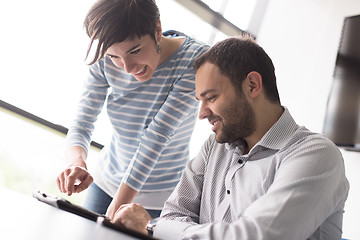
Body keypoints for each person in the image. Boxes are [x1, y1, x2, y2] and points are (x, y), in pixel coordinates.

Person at [111, 35, 350, 240]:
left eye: (211, 98)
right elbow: (173, 214)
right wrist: (166, 227)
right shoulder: (214, 148)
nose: (202, 113)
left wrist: (152, 227)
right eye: (200, 101)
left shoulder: (317, 155)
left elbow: (254, 236)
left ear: (253, 85)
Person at [56, 0, 209, 219]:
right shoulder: (105, 55)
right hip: (106, 182)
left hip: (161, 197)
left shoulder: (194, 60)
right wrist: (76, 161)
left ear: (157, 29)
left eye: (135, 51)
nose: (127, 68)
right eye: (114, 57)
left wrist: (111, 215)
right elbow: (83, 121)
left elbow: (156, 137)